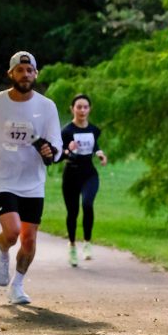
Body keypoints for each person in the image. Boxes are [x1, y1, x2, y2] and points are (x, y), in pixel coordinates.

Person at [0, 51, 62, 305]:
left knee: (29, 239)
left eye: (29, 70)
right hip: (1, 176)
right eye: (20, 70)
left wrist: (50, 151)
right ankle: (1, 250)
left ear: (36, 74)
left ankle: (17, 285)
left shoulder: (47, 107)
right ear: (11, 74)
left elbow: (56, 143)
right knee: (12, 232)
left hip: (32, 180)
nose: (25, 74)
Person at [60, 93, 109, 267]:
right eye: (79, 107)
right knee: (72, 212)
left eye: (85, 107)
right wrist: (68, 150)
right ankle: (72, 246)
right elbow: (59, 154)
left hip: (89, 174)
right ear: (72, 109)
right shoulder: (67, 131)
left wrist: (100, 154)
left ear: (90, 109)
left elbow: (95, 145)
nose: (82, 110)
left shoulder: (94, 129)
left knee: (87, 204)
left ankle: (87, 243)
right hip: (71, 175)